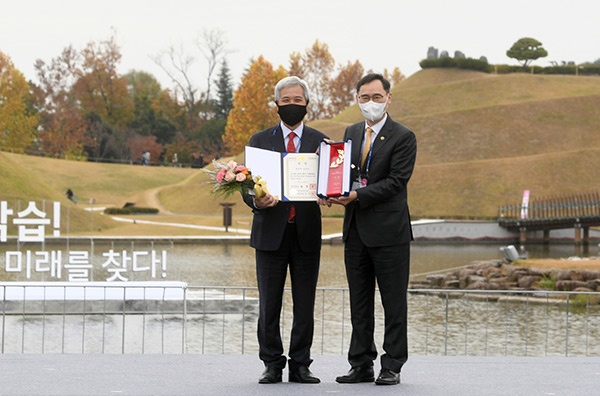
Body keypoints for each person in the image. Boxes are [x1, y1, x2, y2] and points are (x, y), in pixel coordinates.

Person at [318, 73, 417, 386]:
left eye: (376, 97)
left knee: (393, 303)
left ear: (388, 98)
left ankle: (392, 365)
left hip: (390, 234)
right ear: (357, 99)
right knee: (359, 303)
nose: (370, 103)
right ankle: (361, 363)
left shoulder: (403, 136)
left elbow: (395, 182)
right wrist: (329, 188)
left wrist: (357, 195)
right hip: (356, 231)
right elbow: (345, 174)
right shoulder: (351, 132)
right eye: (364, 98)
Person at [242, 76, 328, 384]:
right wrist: (257, 199)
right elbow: (245, 185)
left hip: (306, 233)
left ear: (307, 104)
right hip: (269, 233)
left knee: (305, 303)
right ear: (277, 105)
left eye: (298, 101)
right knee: (269, 303)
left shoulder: (322, 142)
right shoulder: (259, 140)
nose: (292, 106)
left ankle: (301, 363)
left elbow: (333, 181)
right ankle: (272, 363)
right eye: (286, 101)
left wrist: (330, 191)